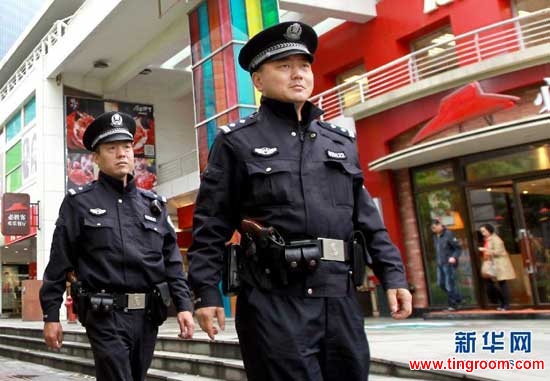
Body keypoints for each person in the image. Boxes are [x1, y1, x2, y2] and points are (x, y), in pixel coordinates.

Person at [187, 21, 412, 381]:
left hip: (339, 296)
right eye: (284, 66)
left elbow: (367, 220)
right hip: (274, 299)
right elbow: (210, 225)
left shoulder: (338, 142)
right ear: (258, 80)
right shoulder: (236, 143)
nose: (298, 75)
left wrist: (393, 274)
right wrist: (205, 293)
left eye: (304, 66)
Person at [39, 111, 194, 381]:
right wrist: (51, 315)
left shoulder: (153, 205)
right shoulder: (79, 203)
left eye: (126, 147)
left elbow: (171, 262)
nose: (122, 154)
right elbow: (59, 262)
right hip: (104, 315)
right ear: (96, 158)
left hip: (148, 315)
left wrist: (184, 306)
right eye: (112, 148)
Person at [478, 223, 516, 310]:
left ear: (489, 230)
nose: (483, 233)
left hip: (499, 264)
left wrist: (485, 250)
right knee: (491, 284)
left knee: (502, 284)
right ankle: (502, 303)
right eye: (481, 231)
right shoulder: (488, 240)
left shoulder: (495, 239)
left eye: (484, 231)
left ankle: (506, 304)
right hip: (492, 264)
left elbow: (499, 252)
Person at [431, 219, 462, 310]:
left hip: (448, 263)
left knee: (449, 284)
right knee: (440, 283)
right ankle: (458, 298)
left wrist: (454, 257)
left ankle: (452, 304)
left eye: (435, 227)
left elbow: (458, 248)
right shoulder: (435, 237)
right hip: (440, 263)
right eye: (432, 228)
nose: (433, 230)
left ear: (440, 225)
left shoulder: (448, 234)